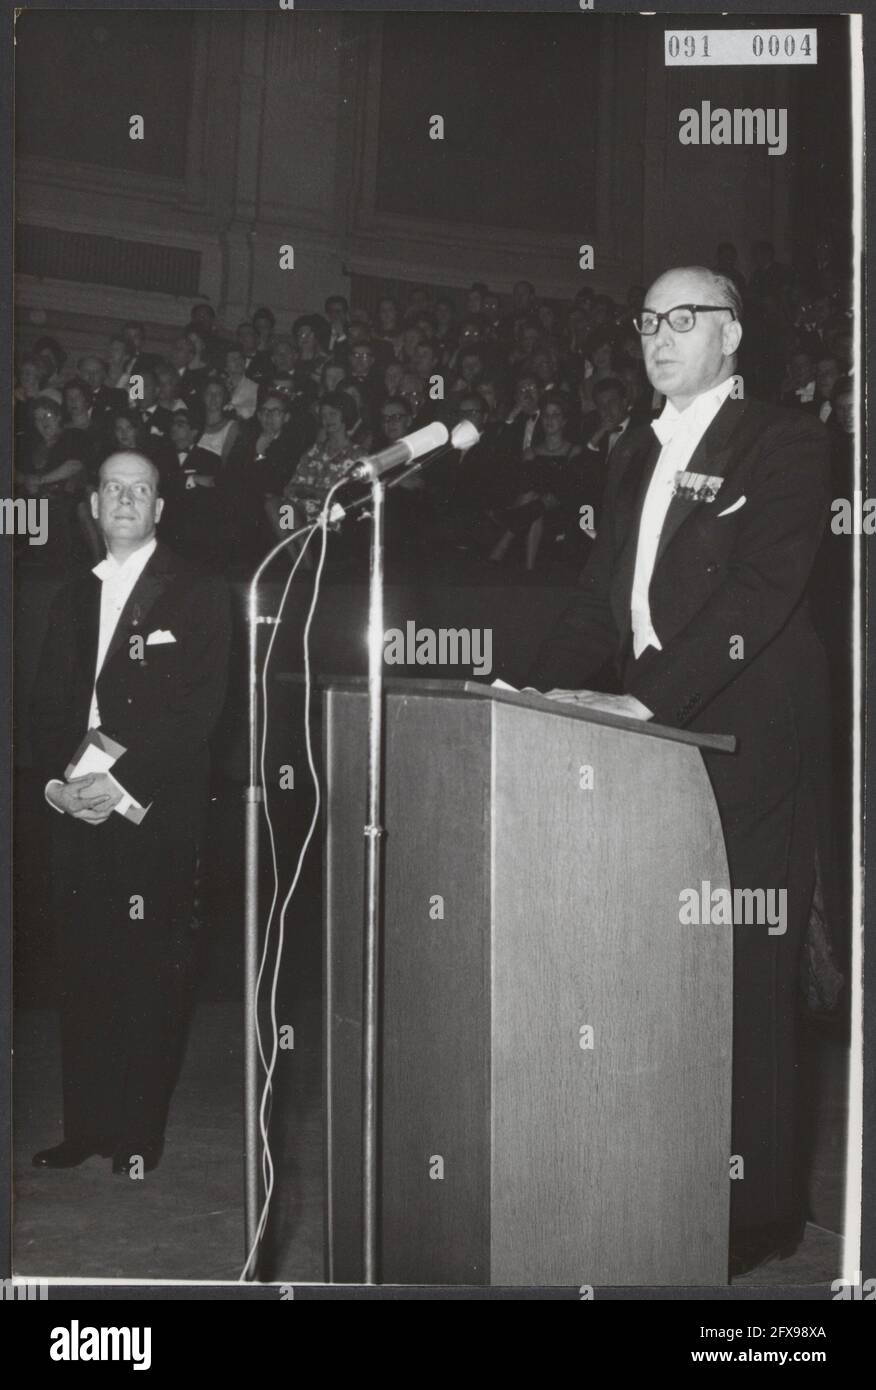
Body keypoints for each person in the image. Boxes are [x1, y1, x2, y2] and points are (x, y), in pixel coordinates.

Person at [527, 266, 832, 1275]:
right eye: (649, 319)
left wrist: (650, 701)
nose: (660, 334)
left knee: (744, 967)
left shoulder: (786, 442)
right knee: (660, 969)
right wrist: (515, 690)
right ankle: (662, 1171)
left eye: (685, 318)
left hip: (746, 734)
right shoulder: (632, 452)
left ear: (733, 335)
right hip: (651, 737)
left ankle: (756, 1214)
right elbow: (595, 611)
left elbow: (761, 593)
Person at [30, 450, 232, 1174]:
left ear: (158, 508)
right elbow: (48, 709)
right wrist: (56, 786)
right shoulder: (70, 597)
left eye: (139, 489)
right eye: (111, 487)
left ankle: (138, 1136)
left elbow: (197, 714)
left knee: (149, 976)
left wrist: (115, 784)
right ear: (93, 505)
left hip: (150, 811)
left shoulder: (201, 593)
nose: (124, 499)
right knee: (84, 971)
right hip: (73, 809)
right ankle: (85, 1127)